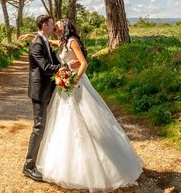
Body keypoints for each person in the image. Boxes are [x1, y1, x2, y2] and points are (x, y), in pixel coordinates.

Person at [36, 18, 143, 192]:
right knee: (65, 122)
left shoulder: (72, 41)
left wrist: (73, 80)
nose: (55, 26)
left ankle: (108, 168)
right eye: (53, 24)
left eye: (58, 24)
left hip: (76, 84)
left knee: (89, 120)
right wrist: (32, 35)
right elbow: (46, 39)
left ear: (66, 26)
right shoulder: (63, 42)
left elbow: (84, 63)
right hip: (66, 85)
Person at [23, 14, 62, 182]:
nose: (54, 25)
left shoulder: (44, 41)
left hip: (48, 89)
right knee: (39, 127)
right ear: (45, 24)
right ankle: (28, 166)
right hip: (39, 91)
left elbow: (55, 60)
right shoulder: (36, 44)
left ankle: (38, 161)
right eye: (52, 22)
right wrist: (66, 67)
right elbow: (46, 68)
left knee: (45, 126)